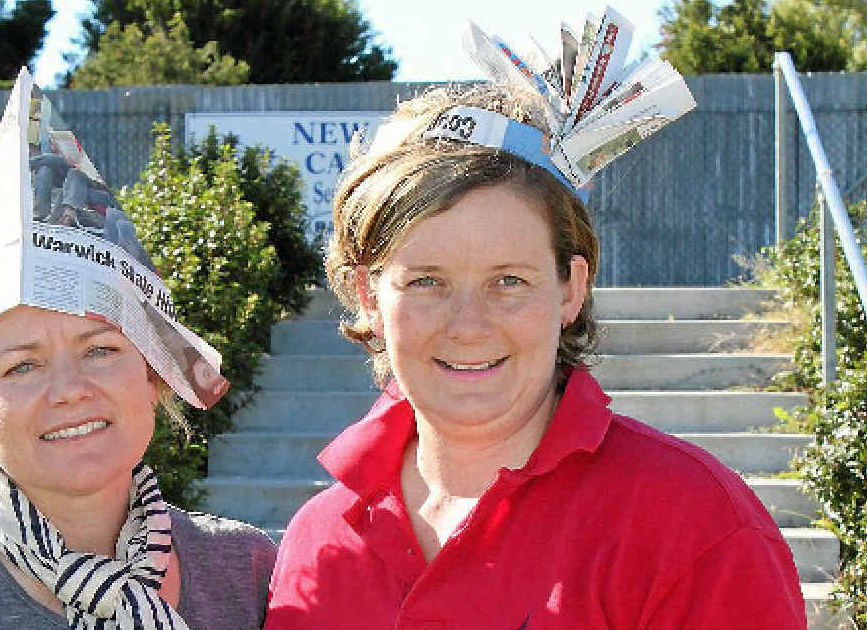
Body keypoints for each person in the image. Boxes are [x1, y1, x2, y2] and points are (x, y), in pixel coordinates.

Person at [263, 82, 806, 628]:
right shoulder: (317, 539)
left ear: (571, 288)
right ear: (368, 297)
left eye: (509, 281)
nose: (469, 326)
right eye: (427, 281)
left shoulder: (692, 521)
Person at [0, 71, 275, 630]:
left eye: (99, 350)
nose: (70, 389)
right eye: (22, 365)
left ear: (152, 373)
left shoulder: (246, 572)